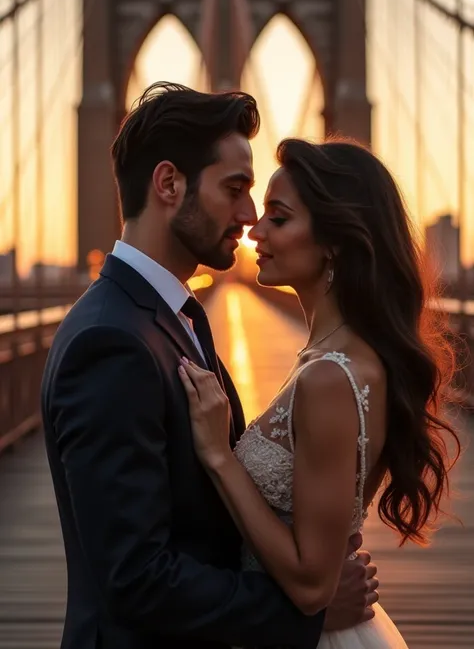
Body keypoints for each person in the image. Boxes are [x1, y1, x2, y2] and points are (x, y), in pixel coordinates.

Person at [40, 84, 379, 649]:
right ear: (169, 184)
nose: (249, 217)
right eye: (235, 188)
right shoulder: (110, 342)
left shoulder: (173, 317)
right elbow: (136, 579)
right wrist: (307, 613)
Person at [178, 138, 461, 648]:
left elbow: (312, 586)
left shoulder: (330, 378)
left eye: (279, 218)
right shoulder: (328, 356)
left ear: (334, 240)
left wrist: (220, 456)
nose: (255, 231)